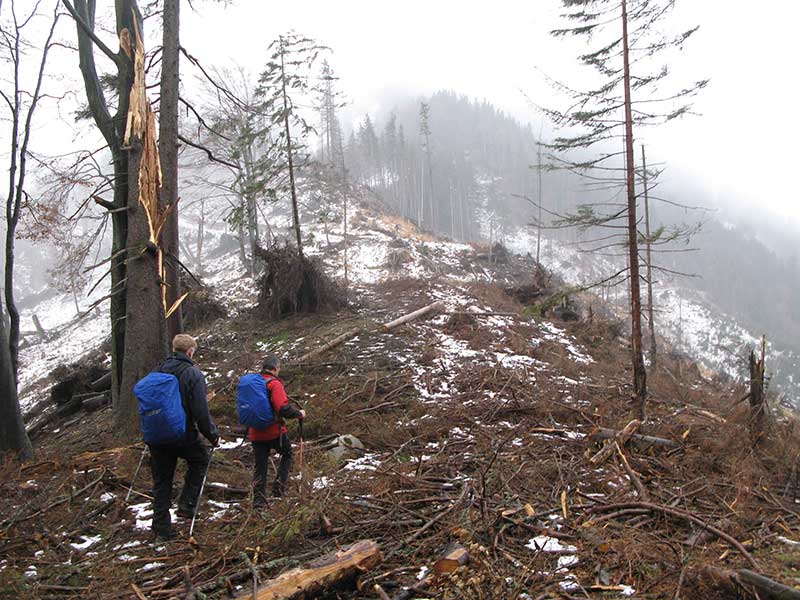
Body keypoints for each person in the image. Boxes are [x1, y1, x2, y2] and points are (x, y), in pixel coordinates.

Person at [149, 334, 219, 541]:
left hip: (157, 433)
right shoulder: (192, 373)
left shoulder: (158, 369)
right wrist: (212, 435)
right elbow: (200, 411)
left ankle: (161, 528)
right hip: (182, 433)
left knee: (162, 481)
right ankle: (187, 505)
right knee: (200, 460)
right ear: (190, 352)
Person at [250, 355, 306, 506]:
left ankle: (258, 501)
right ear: (275, 368)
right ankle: (279, 488)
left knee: (260, 465)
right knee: (287, 454)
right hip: (273, 431)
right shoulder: (274, 384)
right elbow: (282, 408)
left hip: (255, 431)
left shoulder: (253, 383)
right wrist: (299, 413)